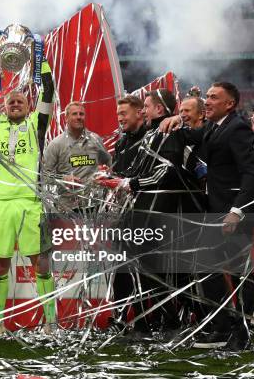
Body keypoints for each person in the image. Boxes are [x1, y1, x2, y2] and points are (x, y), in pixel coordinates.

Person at [97, 89, 205, 338]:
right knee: (142, 268)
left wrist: (129, 184)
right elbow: (139, 171)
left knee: (161, 269)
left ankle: (172, 322)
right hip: (143, 210)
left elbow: (165, 172)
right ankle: (148, 321)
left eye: (146, 106)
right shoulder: (149, 135)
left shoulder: (169, 132)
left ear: (159, 109)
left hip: (162, 211)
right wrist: (114, 179)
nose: (144, 110)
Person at [160, 81, 254, 351]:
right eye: (207, 96)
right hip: (215, 211)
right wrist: (174, 119)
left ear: (230, 103)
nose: (208, 101)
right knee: (206, 267)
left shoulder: (237, 127)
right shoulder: (215, 128)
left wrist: (236, 211)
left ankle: (243, 332)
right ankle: (224, 324)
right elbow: (193, 136)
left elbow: (250, 174)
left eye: (214, 97)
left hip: (233, 212)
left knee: (240, 274)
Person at [0, 58, 56, 335]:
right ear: (3, 107)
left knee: (41, 264)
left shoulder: (37, 125)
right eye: (10, 101)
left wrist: (39, 59)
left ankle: (50, 322)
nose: (14, 104)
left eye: (20, 102)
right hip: (0, 204)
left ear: (29, 107)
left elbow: (48, 90)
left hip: (30, 203)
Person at [108, 95, 145, 328]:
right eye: (118, 113)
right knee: (120, 265)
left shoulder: (151, 138)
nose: (120, 118)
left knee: (145, 267)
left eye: (124, 113)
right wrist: (108, 178)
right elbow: (118, 175)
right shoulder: (121, 143)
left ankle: (145, 318)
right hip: (123, 214)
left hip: (145, 212)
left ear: (139, 112)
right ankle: (119, 316)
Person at [43, 101, 111, 212]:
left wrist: (106, 176)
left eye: (81, 114)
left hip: (96, 204)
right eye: (74, 114)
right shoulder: (56, 144)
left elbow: (109, 162)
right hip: (68, 207)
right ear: (66, 118)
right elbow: (44, 174)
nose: (79, 117)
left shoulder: (95, 139)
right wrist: (63, 179)